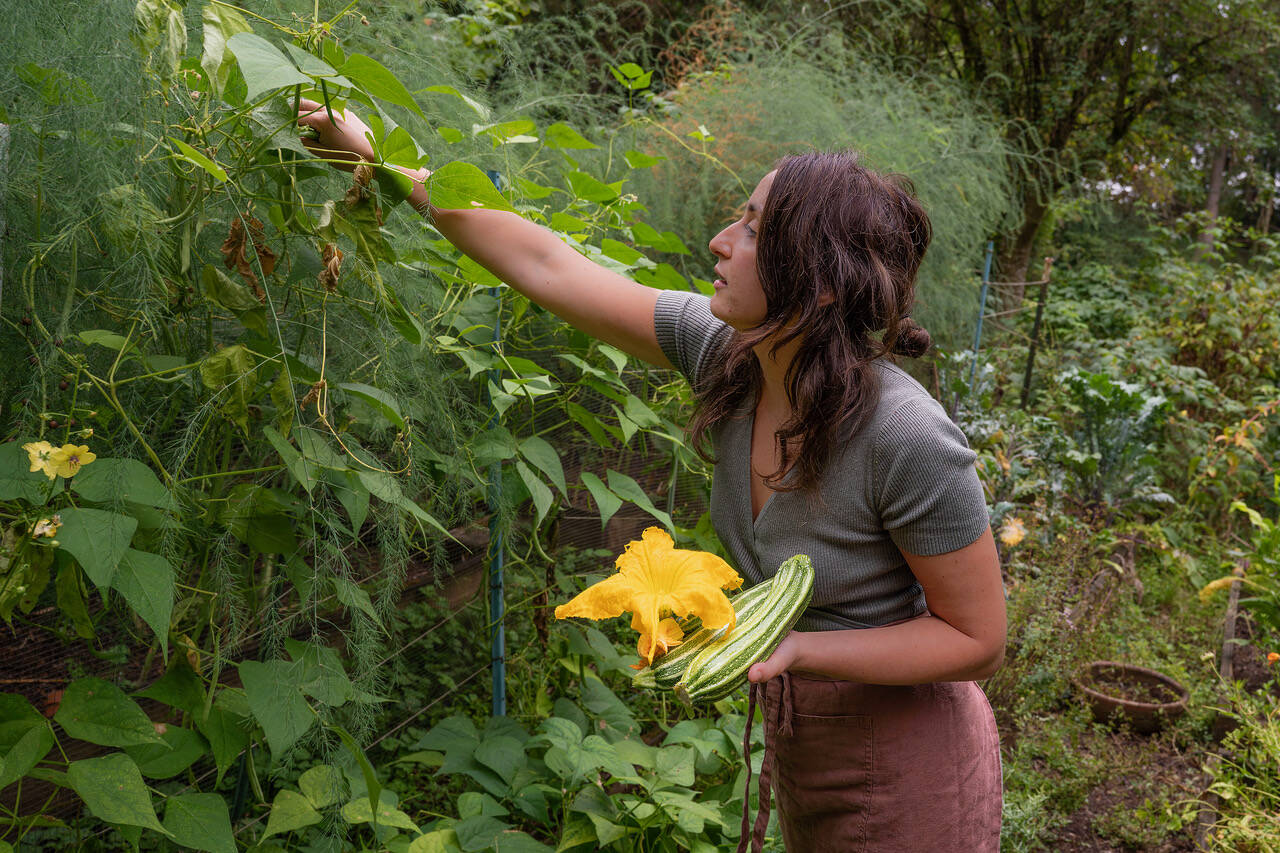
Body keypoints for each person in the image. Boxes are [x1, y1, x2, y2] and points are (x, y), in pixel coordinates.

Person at [297, 100, 1006, 852]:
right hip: (802, 739)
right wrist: (377, 164)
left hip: (910, 758)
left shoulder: (904, 434)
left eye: (755, 229)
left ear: (821, 283)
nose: (720, 240)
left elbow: (977, 637)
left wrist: (800, 649)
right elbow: (547, 263)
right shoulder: (728, 352)